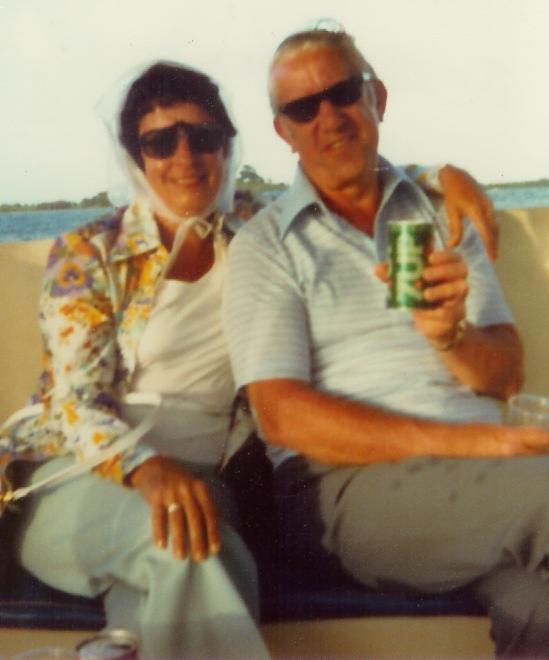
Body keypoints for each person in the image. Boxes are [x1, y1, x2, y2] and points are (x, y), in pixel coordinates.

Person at [0, 60, 496, 657]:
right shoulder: (90, 251)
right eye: (160, 142)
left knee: (196, 562)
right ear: (136, 157)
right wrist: (147, 469)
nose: (185, 156)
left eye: (202, 136)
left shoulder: (254, 229)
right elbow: (72, 402)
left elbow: (339, 181)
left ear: (227, 145)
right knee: (187, 549)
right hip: (78, 477)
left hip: (207, 483)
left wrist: (436, 176)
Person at [223, 26, 549, 658]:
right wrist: (472, 443)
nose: (330, 117)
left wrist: (451, 337)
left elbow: (504, 376)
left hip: (472, 485)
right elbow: (281, 416)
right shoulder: (267, 245)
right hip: (343, 493)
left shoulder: (439, 213)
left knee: (541, 603)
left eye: (343, 92)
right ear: (283, 131)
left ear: (376, 96)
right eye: (303, 107)